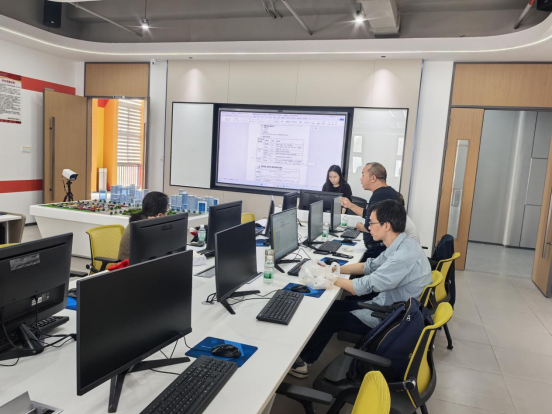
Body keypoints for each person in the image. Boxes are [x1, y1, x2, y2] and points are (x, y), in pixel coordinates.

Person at [290, 200, 432, 378]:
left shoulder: (403, 255)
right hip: (390, 306)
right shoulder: (402, 244)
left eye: (371, 223)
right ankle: (305, 356)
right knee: (333, 307)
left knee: (328, 318)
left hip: (389, 318)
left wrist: (326, 277)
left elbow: (361, 287)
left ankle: (302, 362)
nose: (368, 227)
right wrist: (334, 269)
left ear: (386, 225)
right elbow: (369, 266)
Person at [341, 162, 398, 260]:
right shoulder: (387, 192)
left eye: (363, 175)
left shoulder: (379, 196)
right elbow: (369, 214)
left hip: (377, 251)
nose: (361, 179)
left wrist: (359, 226)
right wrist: (350, 205)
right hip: (381, 249)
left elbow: (369, 227)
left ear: (373, 178)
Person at [118, 191, 170, 261]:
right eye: (167, 212)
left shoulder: (140, 220)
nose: (167, 215)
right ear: (159, 215)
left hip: (136, 264)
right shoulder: (146, 228)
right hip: (130, 266)